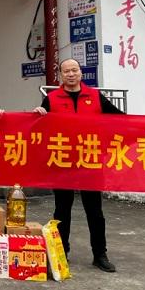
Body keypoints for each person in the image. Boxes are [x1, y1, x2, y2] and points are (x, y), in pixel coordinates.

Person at [33, 58, 123, 273]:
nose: (71, 74)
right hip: (62, 161)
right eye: (66, 71)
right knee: (62, 210)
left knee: (95, 211)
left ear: (81, 73)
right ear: (61, 75)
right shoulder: (52, 99)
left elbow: (121, 119)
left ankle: (99, 254)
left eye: (74, 70)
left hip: (90, 160)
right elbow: (38, 125)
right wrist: (37, 113)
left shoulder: (95, 97)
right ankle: (61, 251)